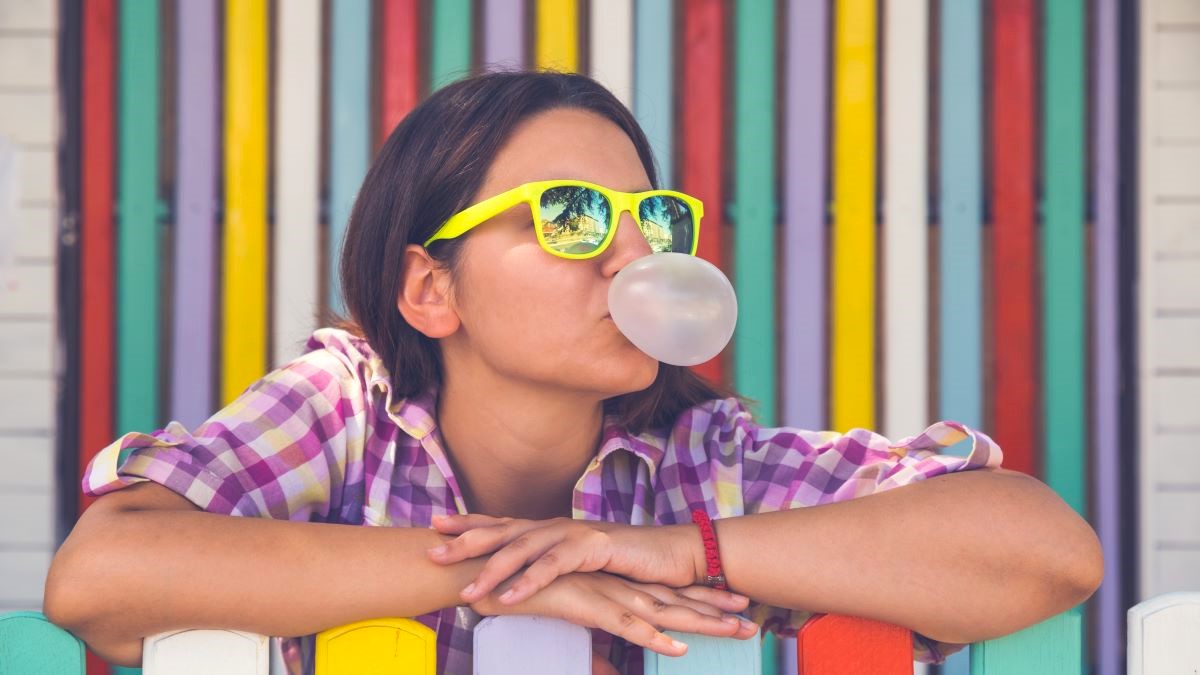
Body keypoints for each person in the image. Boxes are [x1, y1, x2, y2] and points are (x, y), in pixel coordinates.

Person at [43, 70, 1102, 675]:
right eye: (572, 214)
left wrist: (662, 549)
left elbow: (1040, 554)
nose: (637, 256)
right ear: (431, 290)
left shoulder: (701, 464)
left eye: (653, 216)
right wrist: (509, 569)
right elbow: (103, 580)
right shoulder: (345, 409)